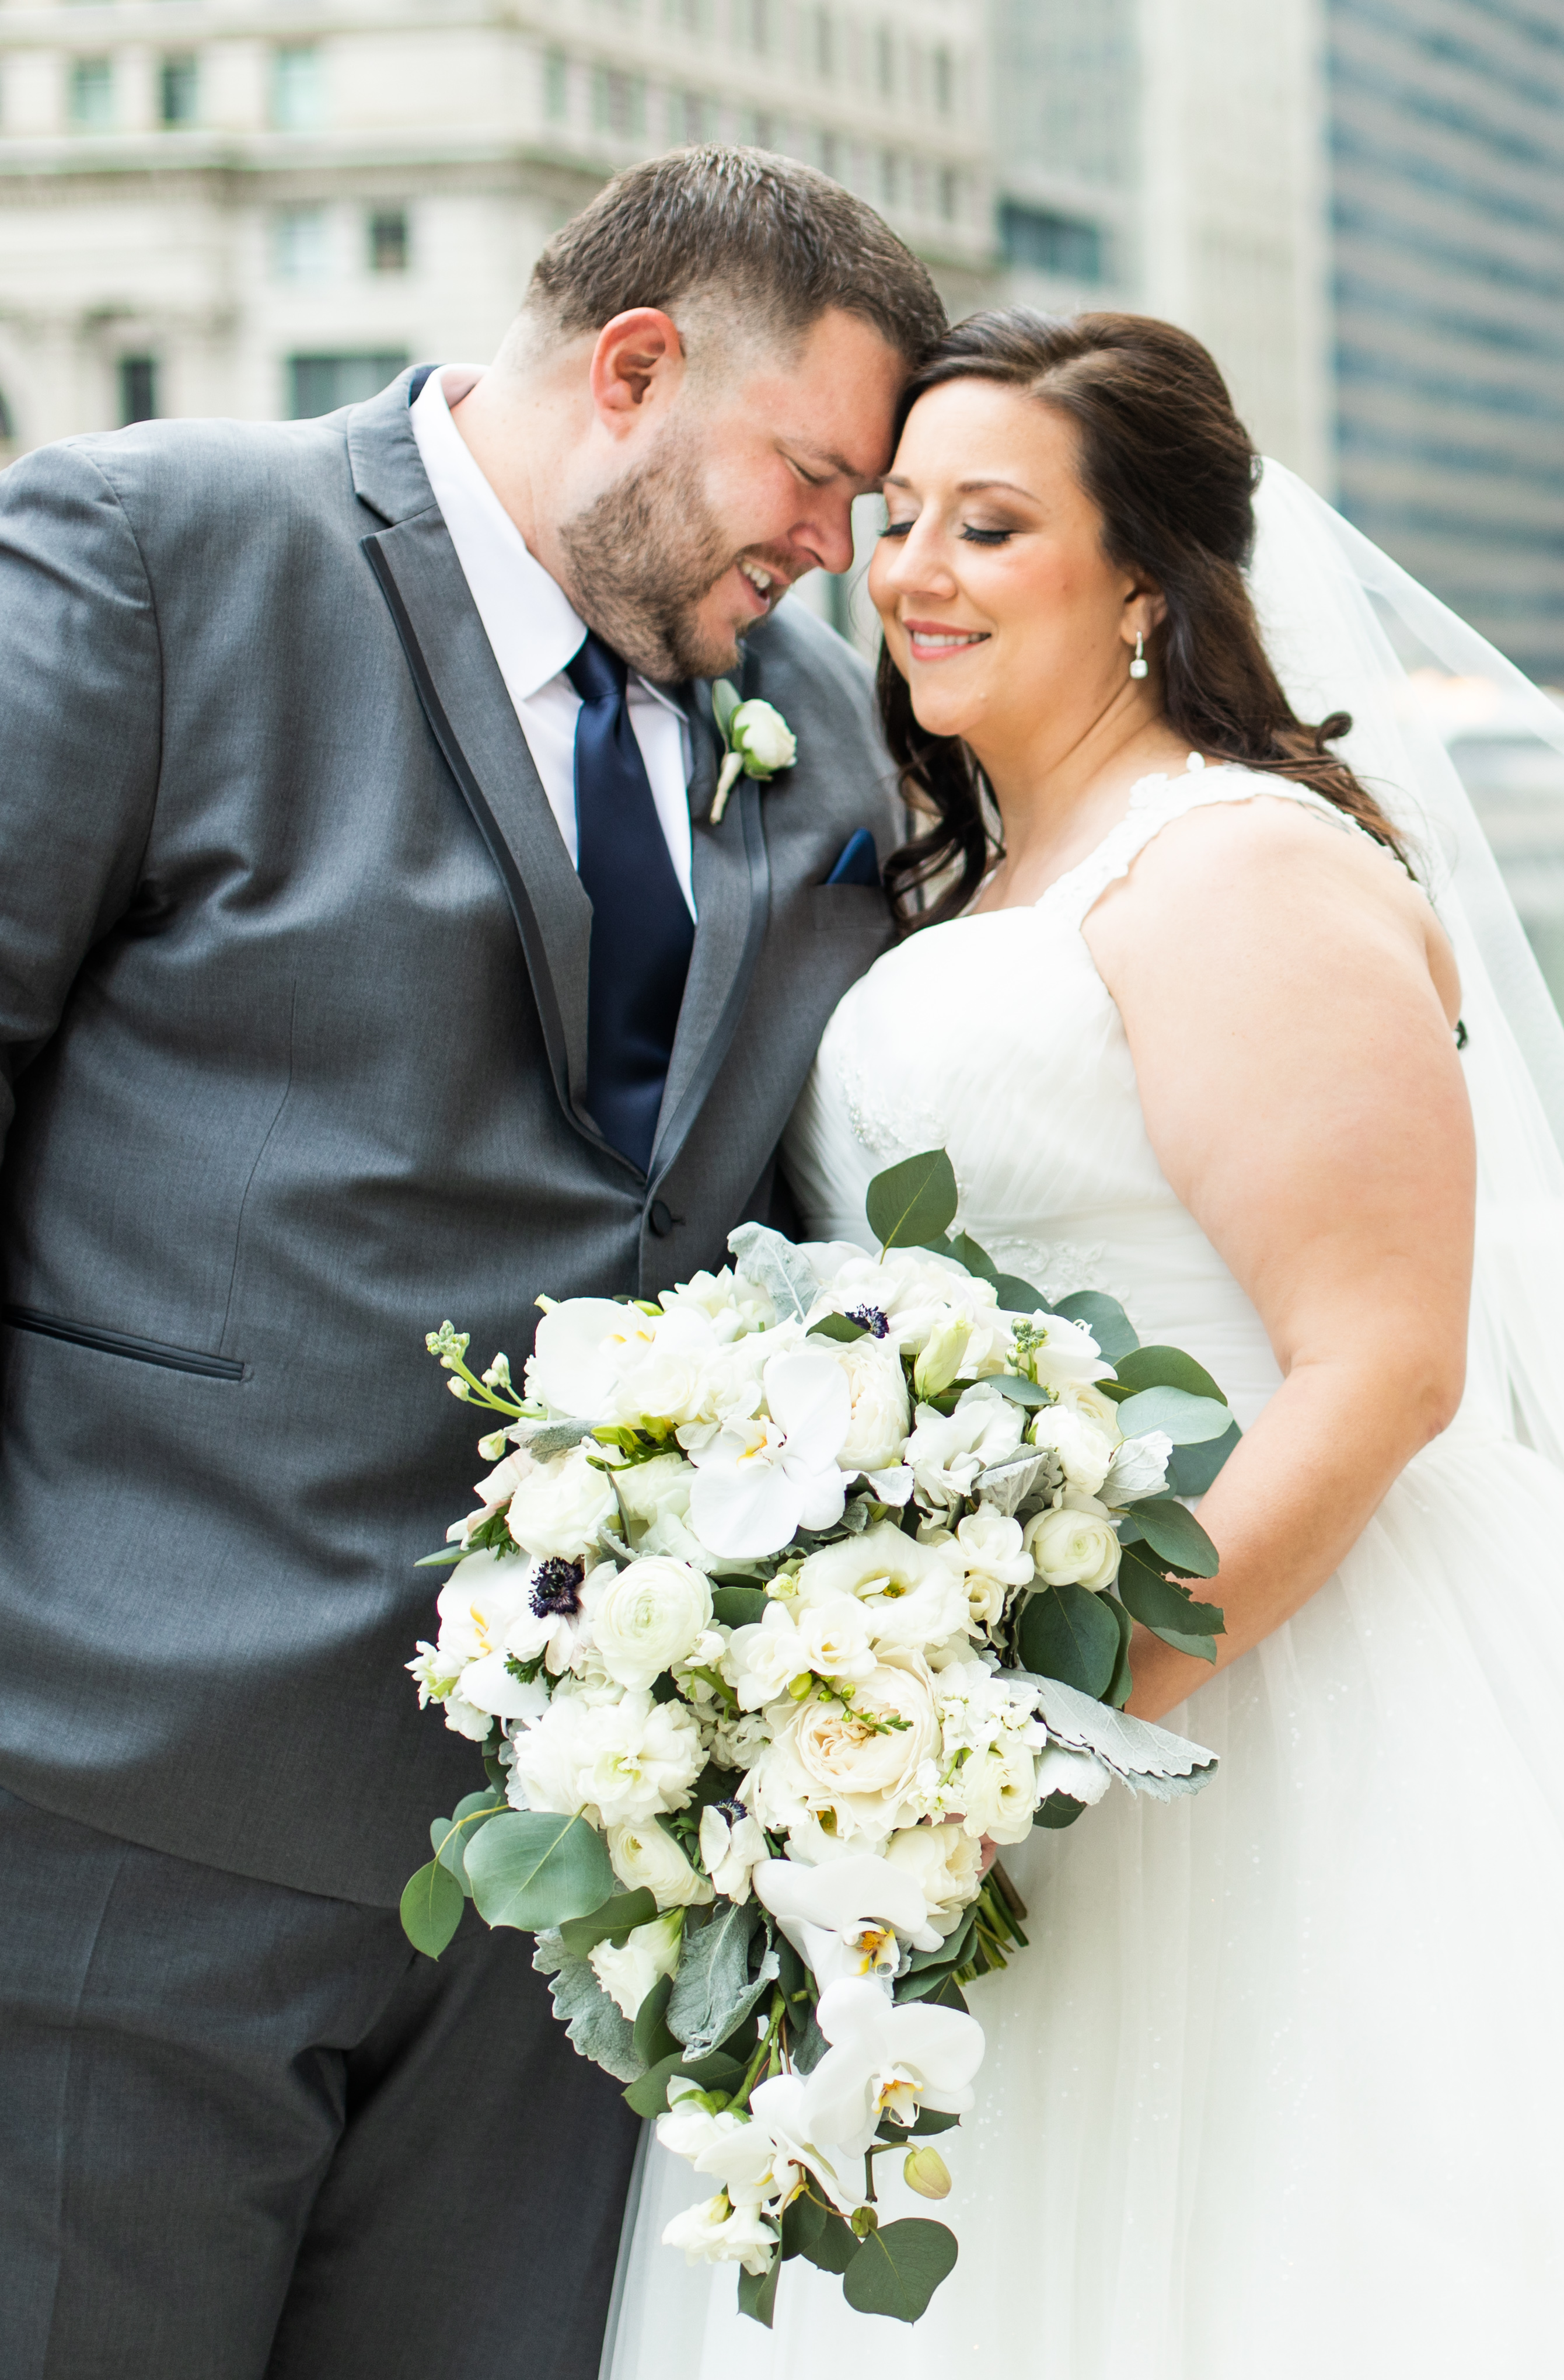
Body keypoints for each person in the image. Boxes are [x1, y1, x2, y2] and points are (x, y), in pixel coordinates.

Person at [605, 312, 1564, 2376]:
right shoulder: (997, 877)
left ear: (1143, 581)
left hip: (1269, 1694)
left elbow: (1384, 1364)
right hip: (979, 1688)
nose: (910, 568)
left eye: (991, 524)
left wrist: (1044, 1737)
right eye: (896, 514)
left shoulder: (1243, 864)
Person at [0, 148, 944, 2380]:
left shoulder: (809, 741)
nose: (839, 548)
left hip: (567, 1898)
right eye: (817, 477)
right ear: (632, 370)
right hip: (121, 1810)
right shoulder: (157, 549)